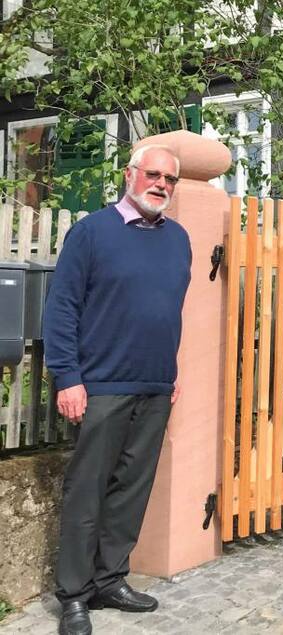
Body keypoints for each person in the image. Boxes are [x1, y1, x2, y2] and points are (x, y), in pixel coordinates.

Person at [43, 145, 191, 635]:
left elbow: (168, 311)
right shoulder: (91, 232)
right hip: (101, 384)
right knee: (87, 492)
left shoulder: (179, 240)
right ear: (130, 174)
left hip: (155, 384)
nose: (161, 184)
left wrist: (171, 370)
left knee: (131, 490)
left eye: (170, 179)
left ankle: (109, 579)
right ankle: (74, 595)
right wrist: (68, 377)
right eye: (153, 174)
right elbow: (62, 308)